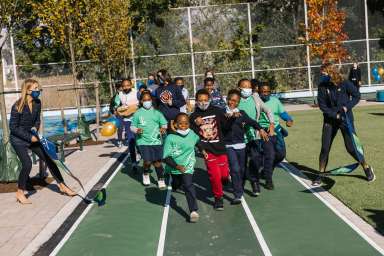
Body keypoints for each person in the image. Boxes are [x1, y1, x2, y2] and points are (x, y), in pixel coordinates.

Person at [9, 79, 76, 204]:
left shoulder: (37, 103)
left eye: (38, 88)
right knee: (27, 164)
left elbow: (37, 119)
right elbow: (13, 127)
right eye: (35, 88)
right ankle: (20, 192)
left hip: (32, 137)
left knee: (50, 159)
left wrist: (36, 127)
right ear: (28, 90)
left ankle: (62, 185)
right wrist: (30, 138)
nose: (38, 90)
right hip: (18, 140)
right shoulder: (17, 106)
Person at [313, 63, 375, 186]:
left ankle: (366, 167)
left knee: (351, 148)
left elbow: (357, 96)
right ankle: (320, 174)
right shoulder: (322, 86)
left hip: (346, 120)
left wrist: (347, 107)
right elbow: (323, 106)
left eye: (324, 73)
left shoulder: (345, 83)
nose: (322, 75)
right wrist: (334, 115)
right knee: (325, 148)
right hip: (330, 121)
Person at [223, 89, 269, 204]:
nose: (231, 102)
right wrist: (232, 116)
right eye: (230, 100)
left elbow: (252, 122)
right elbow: (224, 126)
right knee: (235, 169)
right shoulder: (222, 113)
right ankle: (237, 194)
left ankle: (239, 185)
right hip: (228, 145)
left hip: (241, 146)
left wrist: (261, 129)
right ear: (226, 99)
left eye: (235, 101)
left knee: (242, 170)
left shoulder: (242, 113)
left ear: (238, 102)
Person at [190, 89, 232, 210]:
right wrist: (194, 123)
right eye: (200, 100)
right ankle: (218, 198)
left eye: (205, 100)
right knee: (215, 176)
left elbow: (226, 126)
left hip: (220, 148)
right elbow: (193, 135)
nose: (203, 102)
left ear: (209, 100)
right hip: (207, 150)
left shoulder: (217, 111)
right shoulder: (193, 116)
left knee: (224, 175)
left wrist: (231, 118)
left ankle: (225, 179)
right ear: (196, 101)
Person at [237, 79, 275, 193]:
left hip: (254, 135)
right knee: (242, 163)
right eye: (244, 87)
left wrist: (271, 124)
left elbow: (268, 110)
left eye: (249, 87)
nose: (247, 89)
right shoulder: (235, 99)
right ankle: (241, 182)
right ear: (239, 88)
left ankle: (255, 182)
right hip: (239, 137)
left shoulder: (255, 97)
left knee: (255, 160)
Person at [163, 113, 200, 222]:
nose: (184, 126)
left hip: (188, 165)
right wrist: (177, 166)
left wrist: (203, 149)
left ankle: (193, 211)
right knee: (177, 183)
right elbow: (165, 157)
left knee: (188, 185)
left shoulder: (192, 133)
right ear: (175, 124)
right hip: (174, 167)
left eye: (186, 123)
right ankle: (175, 184)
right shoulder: (170, 138)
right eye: (180, 124)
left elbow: (198, 141)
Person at [131, 90, 168, 189]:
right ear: (141, 101)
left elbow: (164, 124)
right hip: (143, 141)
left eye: (148, 99)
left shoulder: (157, 113)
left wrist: (163, 129)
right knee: (147, 161)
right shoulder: (137, 113)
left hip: (156, 141)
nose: (147, 101)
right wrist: (136, 130)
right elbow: (132, 127)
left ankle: (160, 179)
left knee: (157, 162)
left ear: (151, 100)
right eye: (144, 100)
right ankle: (146, 173)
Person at [258, 83, 293, 166]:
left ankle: (269, 167)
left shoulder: (275, 101)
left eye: (267, 91)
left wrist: (288, 119)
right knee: (265, 154)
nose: (265, 93)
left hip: (276, 130)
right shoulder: (256, 102)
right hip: (262, 131)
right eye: (263, 92)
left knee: (281, 155)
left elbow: (282, 113)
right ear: (259, 92)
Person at [112, 79, 139, 168]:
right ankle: (133, 161)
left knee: (138, 140)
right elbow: (116, 107)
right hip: (127, 120)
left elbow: (141, 104)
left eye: (128, 85)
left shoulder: (136, 93)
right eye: (124, 86)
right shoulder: (120, 94)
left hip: (138, 119)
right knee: (131, 140)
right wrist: (117, 110)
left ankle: (139, 152)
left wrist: (133, 108)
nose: (126, 87)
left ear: (131, 85)